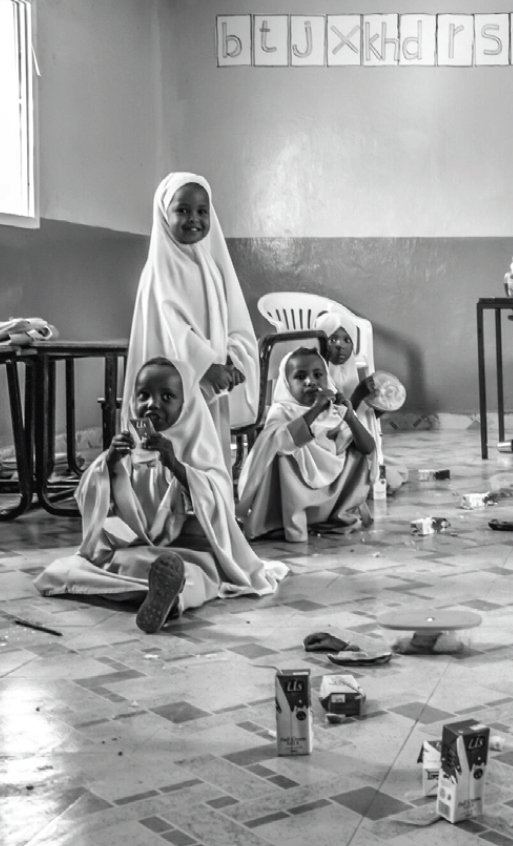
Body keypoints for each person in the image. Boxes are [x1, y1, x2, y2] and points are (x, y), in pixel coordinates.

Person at [34, 359, 288, 633]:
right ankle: (154, 594)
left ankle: (169, 597)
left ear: (186, 403)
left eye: (167, 397)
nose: (152, 404)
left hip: (193, 552)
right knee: (72, 568)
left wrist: (176, 466)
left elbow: (219, 500)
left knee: (197, 576)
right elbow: (88, 495)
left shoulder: (199, 443)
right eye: (143, 395)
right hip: (141, 548)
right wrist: (110, 463)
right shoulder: (130, 445)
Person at [124, 173, 258, 472]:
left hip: (208, 382)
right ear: (164, 215)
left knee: (206, 451)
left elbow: (225, 321)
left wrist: (230, 358)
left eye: (202, 211)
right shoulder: (160, 269)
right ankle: (162, 495)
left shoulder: (209, 266)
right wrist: (207, 365)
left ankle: (208, 495)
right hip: (172, 386)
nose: (193, 218)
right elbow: (173, 327)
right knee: (170, 453)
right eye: (182, 210)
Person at [238, 349, 376, 542]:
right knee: (284, 449)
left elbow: (368, 448)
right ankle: (291, 521)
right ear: (287, 383)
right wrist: (315, 409)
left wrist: (351, 418)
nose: (310, 381)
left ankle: (336, 515)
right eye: (300, 377)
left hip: (333, 494)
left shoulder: (336, 410)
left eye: (318, 375)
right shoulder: (283, 410)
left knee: (355, 447)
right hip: (296, 492)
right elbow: (281, 442)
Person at [314, 309, 387, 485]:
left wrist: (379, 407)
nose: (340, 345)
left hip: (354, 443)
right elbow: (332, 422)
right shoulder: (314, 375)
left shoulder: (350, 373)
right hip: (325, 449)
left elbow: (359, 419)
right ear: (320, 343)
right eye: (333, 339)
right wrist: (358, 395)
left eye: (347, 340)